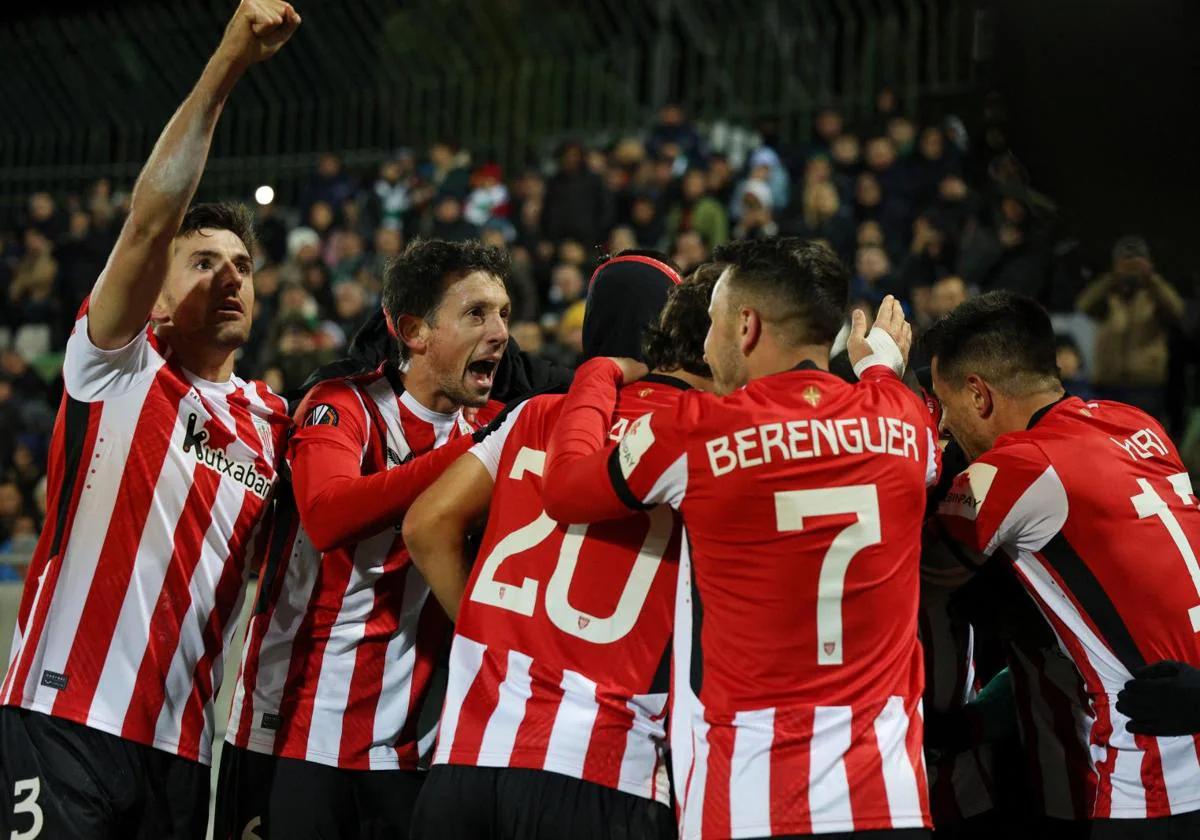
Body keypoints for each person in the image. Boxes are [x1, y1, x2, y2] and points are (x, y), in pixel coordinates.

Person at [0, 3, 299, 838]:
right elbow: (148, 220)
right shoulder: (117, 367)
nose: (230, 277)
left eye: (243, 265)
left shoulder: (274, 424)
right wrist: (228, 66)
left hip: (181, 753)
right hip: (64, 723)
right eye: (203, 262)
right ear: (156, 294)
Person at [541, 238, 940, 839]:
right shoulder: (903, 420)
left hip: (750, 797)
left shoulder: (693, 432)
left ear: (746, 326)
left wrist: (596, 374)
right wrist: (879, 367)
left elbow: (567, 489)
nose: (704, 343)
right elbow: (898, 416)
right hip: (889, 798)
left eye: (712, 322)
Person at [404, 254, 712, 840]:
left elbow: (427, 525)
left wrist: (484, 632)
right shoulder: (702, 435)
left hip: (470, 755)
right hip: (604, 768)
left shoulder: (539, 414)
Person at [217, 239, 512, 839]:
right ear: (413, 330)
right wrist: (472, 455)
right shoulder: (341, 405)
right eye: (477, 313)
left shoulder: (487, 426)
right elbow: (326, 515)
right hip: (293, 734)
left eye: (505, 313)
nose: (501, 331)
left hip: (406, 753)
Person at [927, 291, 1200, 836]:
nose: (944, 427)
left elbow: (904, 565)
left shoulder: (1013, 470)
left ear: (978, 395)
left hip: (1156, 777)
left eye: (944, 406)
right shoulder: (1137, 424)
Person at [1075, 236, 1184, 421]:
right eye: (1126, 263)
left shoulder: (1154, 295)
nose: (1131, 269)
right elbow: (1083, 305)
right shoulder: (1108, 294)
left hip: (1145, 384)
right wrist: (1112, 278)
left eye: (1136, 263)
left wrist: (1151, 278)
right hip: (1107, 382)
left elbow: (1177, 309)